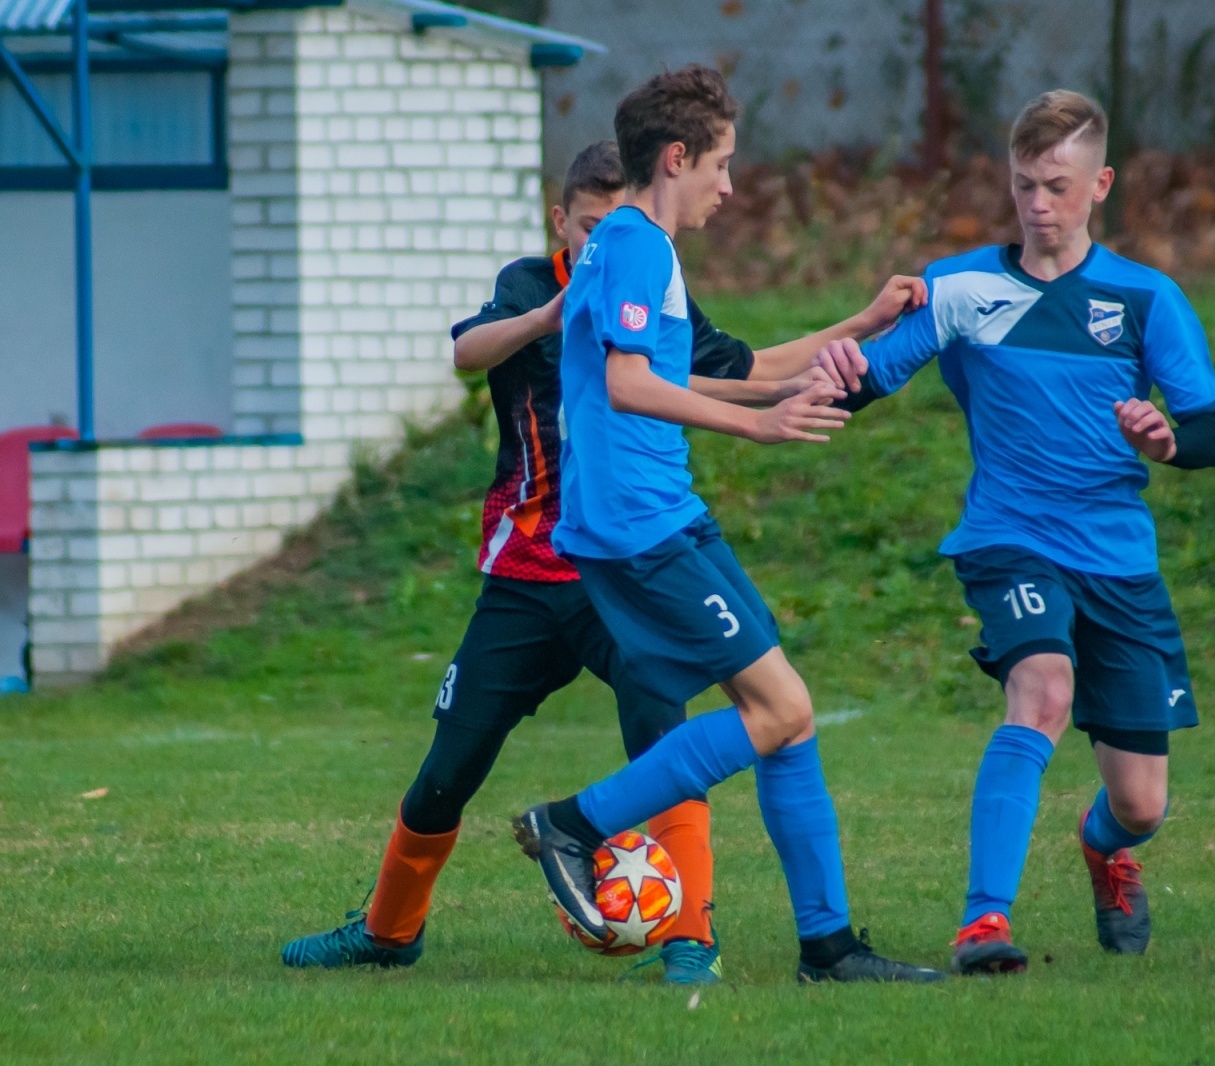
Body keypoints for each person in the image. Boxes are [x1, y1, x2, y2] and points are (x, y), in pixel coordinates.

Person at [280, 140, 924, 984]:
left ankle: (689, 940)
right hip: (524, 576)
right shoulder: (535, 284)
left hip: (614, 571)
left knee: (667, 742)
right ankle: (388, 930)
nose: (599, 244)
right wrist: (550, 316)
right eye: (587, 228)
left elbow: (743, 369)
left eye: (610, 227)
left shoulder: (651, 278)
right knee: (449, 768)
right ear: (564, 222)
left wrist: (862, 326)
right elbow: (467, 351)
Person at [512, 64, 942, 984]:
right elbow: (629, 387)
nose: (730, 185)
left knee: (785, 713)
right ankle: (572, 826)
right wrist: (762, 422)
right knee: (780, 707)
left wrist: (840, 341)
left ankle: (829, 946)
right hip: (641, 527)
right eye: (723, 164)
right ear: (677, 158)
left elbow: (683, 371)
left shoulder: (630, 248)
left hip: (664, 517)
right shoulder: (633, 247)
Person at [811, 89, 1215, 973]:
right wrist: (805, 375)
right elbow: (866, 379)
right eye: (1023, 185)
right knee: (1041, 691)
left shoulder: (1146, 300)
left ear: (1100, 184)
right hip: (1011, 537)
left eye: (1057, 185)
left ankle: (1101, 846)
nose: (1039, 205)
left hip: (1117, 560)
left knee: (1144, 804)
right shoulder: (962, 286)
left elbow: (1210, 432)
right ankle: (983, 923)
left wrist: (1166, 438)